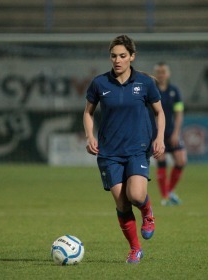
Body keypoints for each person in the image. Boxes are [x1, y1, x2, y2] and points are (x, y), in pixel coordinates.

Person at [83, 35, 165, 263]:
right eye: (113, 56)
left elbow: (160, 112)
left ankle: (148, 214)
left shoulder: (145, 83)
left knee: (136, 195)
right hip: (109, 152)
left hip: (138, 148)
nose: (117, 60)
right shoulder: (100, 83)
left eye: (122, 56)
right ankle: (135, 249)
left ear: (132, 57)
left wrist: (160, 138)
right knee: (121, 202)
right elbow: (88, 112)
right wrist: (90, 136)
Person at [153, 62, 187, 206]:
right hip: (156, 133)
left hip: (171, 132)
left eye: (163, 71)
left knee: (181, 161)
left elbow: (179, 113)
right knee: (161, 161)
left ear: (168, 74)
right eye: (159, 72)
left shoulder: (174, 91)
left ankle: (169, 191)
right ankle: (165, 197)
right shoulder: (152, 90)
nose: (161, 74)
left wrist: (176, 133)